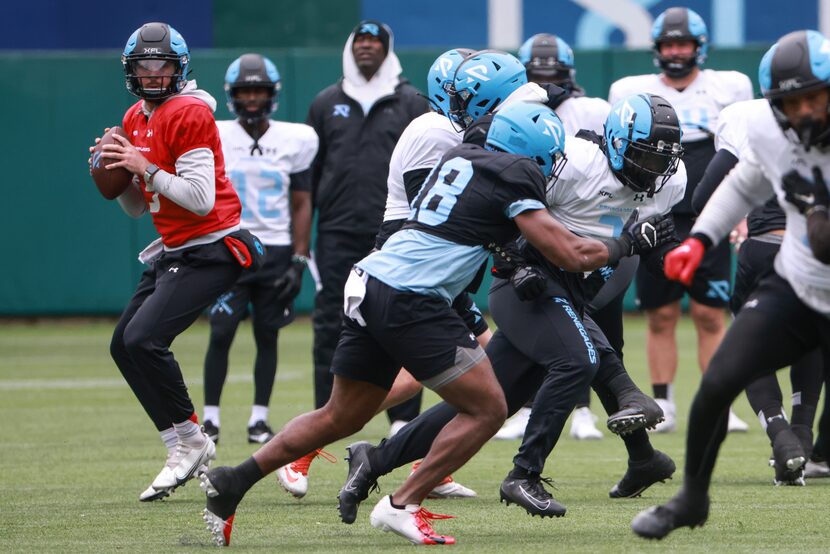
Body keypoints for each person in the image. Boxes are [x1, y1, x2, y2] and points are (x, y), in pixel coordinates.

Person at [199, 101, 634, 546]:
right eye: (550, 154)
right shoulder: (514, 174)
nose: (552, 166)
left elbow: (477, 227)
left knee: (340, 415)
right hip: (411, 296)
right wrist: (628, 243)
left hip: (370, 280)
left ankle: (234, 480)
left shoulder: (459, 158)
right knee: (489, 408)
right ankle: (402, 503)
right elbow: (573, 254)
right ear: (531, 149)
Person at [336, 93, 682, 523]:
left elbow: (653, 244)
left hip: (589, 277)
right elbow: (509, 215)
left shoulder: (673, 179)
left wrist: (663, 254)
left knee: (491, 401)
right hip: (529, 281)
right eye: (642, 158)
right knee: (578, 358)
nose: (651, 171)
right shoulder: (572, 164)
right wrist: (514, 264)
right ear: (615, 142)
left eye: (659, 161)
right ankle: (525, 473)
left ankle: (374, 459)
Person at [631, 30, 830, 540]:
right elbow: (745, 181)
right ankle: (692, 498)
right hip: (799, 282)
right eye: (792, 100)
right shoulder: (764, 128)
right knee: (718, 380)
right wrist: (699, 240)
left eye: (815, 96)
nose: (805, 110)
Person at [90, 22, 261, 502]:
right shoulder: (134, 116)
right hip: (175, 248)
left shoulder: (187, 112)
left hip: (213, 246)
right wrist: (117, 174)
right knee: (123, 345)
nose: (152, 74)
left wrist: (143, 167)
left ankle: (193, 438)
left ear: (178, 68)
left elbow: (202, 199)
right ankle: (180, 443)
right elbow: (137, 206)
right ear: (130, 70)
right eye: (143, 66)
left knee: (145, 338)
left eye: (161, 65)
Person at [284, 20, 428, 490]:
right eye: (360, 42)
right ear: (351, 48)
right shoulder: (326, 103)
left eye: (376, 42)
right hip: (339, 234)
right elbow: (309, 176)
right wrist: (301, 244)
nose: (367, 48)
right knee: (330, 325)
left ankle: (404, 426)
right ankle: (322, 424)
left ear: (388, 50)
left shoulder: (410, 102)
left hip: (394, 233)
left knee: (404, 325)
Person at [609, 6, 753, 433]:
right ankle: (664, 401)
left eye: (682, 43)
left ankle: (719, 401)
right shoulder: (632, 90)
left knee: (711, 313)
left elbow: (743, 153)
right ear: (657, 48)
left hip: (710, 214)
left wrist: (739, 213)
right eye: (669, 43)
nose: (676, 51)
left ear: (698, 47)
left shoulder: (728, 88)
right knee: (661, 314)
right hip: (659, 214)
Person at [691, 98, 825, 485]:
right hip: (814, 256)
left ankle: (781, 433)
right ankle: (801, 432)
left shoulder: (747, 119)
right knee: (812, 334)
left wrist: (719, 228)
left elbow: (704, 198)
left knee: (752, 348)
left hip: (765, 244)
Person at [496, 32, 615, 441]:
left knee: (587, 321)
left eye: (553, 73)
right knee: (541, 319)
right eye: (536, 73)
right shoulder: (513, 110)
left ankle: (584, 409)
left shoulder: (591, 110)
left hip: (588, 224)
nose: (546, 80)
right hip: (531, 218)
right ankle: (527, 406)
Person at [201, 54, 317, 445]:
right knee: (221, 331)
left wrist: (299, 259)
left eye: (259, 90)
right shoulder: (215, 133)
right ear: (232, 95)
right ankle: (211, 419)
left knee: (268, 335)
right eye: (245, 91)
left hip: (275, 251)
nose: (252, 98)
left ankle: (258, 419)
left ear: (272, 94)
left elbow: (302, 202)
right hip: (230, 247)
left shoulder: (295, 139)